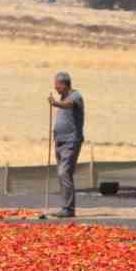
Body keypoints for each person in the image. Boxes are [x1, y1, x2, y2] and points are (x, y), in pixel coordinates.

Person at [46, 73, 85, 219]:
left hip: (71, 141)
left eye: (57, 85)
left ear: (64, 84)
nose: (55, 88)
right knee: (62, 174)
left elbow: (69, 105)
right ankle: (65, 207)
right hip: (60, 141)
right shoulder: (63, 97)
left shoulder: (76, 96)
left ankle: (68, 209)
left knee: (64, 172)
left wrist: (56, 103)